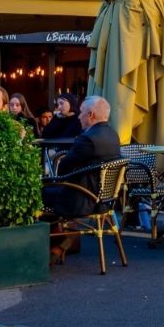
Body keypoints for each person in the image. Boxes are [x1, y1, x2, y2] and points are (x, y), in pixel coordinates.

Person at [44, 96, 120, 262]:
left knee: (39, 193)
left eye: (81, 113)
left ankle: (48, 250)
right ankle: (61, 245)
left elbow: (64, 168)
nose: (78, 116)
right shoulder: (113, 135)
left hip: (82, 199)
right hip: (104, 198)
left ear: (91, 114)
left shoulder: (87, 139)